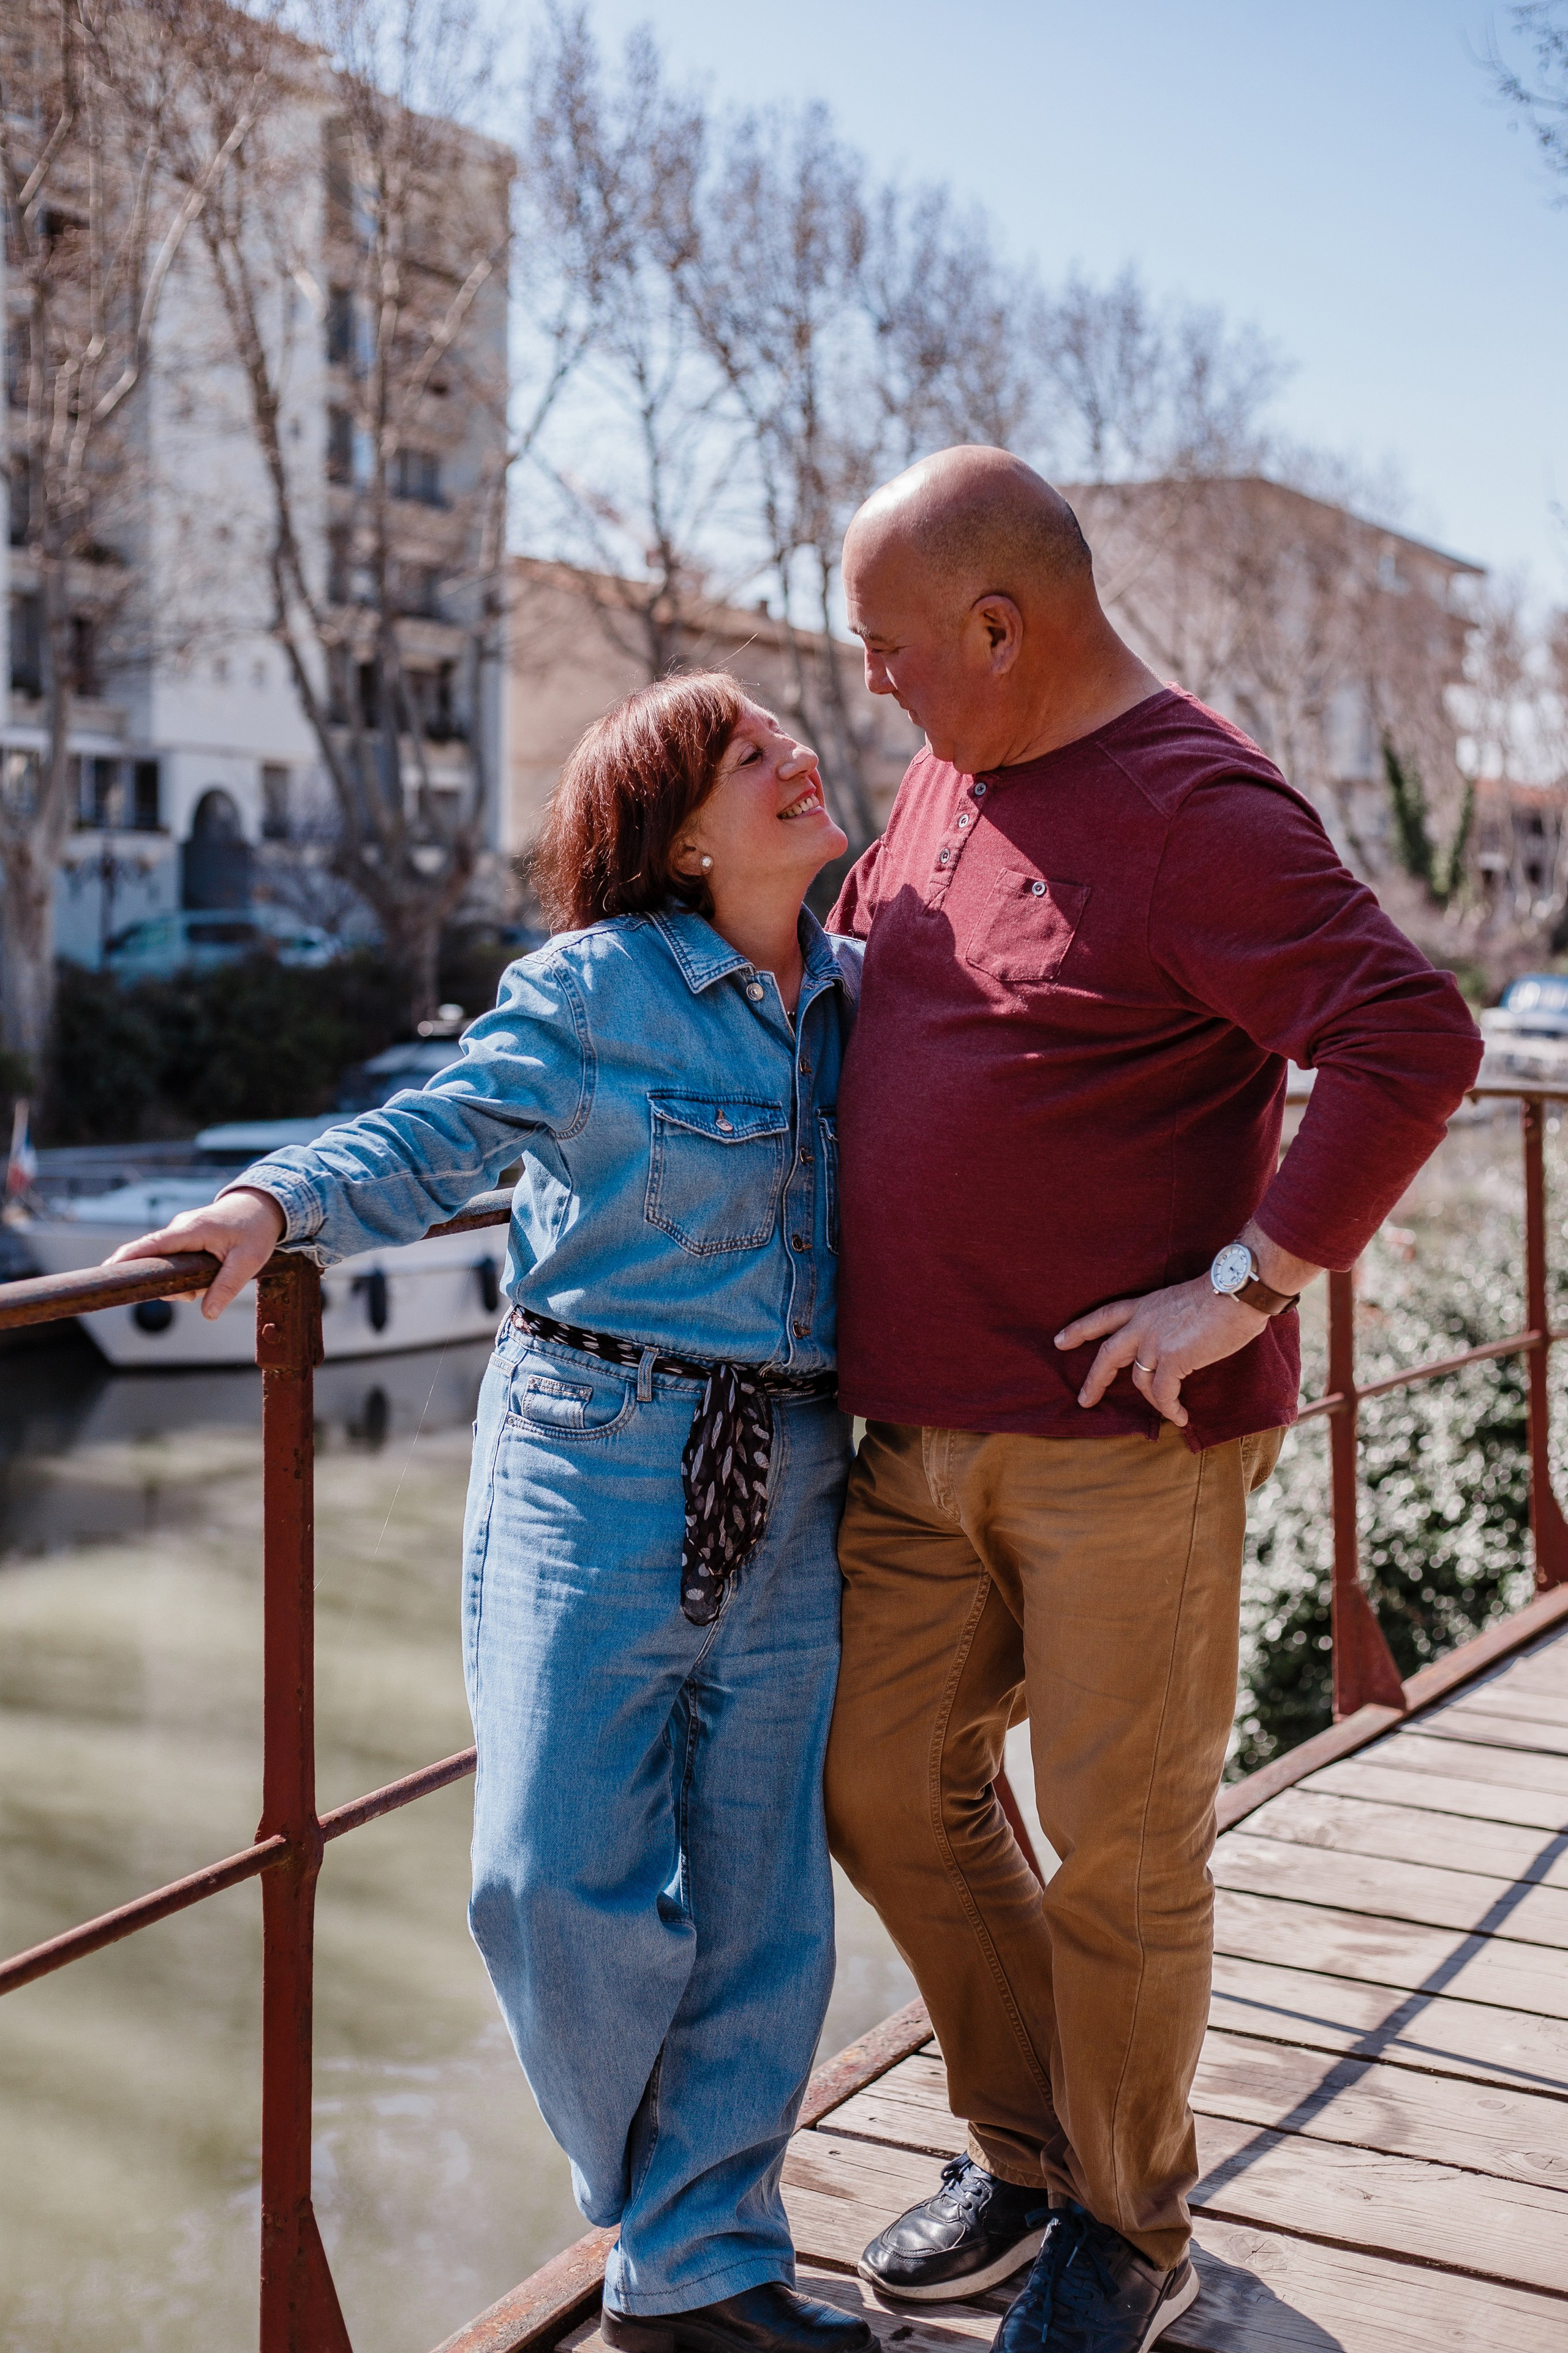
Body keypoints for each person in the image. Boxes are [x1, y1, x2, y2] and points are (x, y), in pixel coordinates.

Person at [110, 675, 874, 2353]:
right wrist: (269, 1199)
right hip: (589, 1461)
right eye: (752, 754)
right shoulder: (598, 987)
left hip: (799, 1466)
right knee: (546, 1875)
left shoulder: (860, 999)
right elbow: (441, 1132)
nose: (797, 755)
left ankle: (705, 2267)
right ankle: (659, 2203)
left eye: (786, 734)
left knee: (766, 1896)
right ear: (678, 834)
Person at [820, 448, 1483, 2353]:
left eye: (890, 648)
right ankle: (1028, 2157)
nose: (873, 681)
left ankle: (1127, 2222)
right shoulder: (959, 766)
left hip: (1127, 1452)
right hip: (916, 1429)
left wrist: (1246, 1284)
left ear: (1000, 630)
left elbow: (1408, 1035)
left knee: (1122, 1853)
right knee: (874, 1777)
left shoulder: (1197, 807)